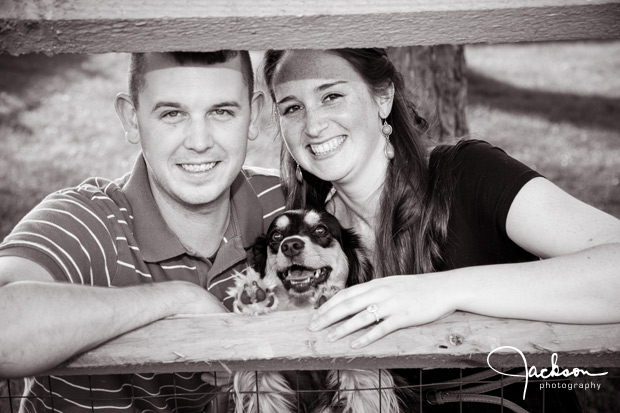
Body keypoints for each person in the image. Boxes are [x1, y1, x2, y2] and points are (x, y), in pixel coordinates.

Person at [261, 48, 620, 412]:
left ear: (383, 97)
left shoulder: (465, 175)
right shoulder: (311, 239)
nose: (313, 125)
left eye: (331, 96)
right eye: (292, 108)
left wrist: (442, 290)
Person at [0, 51, 284, 411]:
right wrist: (178, 300)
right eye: (172, 114)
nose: (199, 142)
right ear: (132, 119)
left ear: (253, 114)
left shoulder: (287, 209)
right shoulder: (88, 221)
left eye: (221, 111)